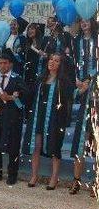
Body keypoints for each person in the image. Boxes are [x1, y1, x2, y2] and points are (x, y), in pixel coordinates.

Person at [24, 53, 74, 190]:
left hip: (55, 119)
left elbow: (68, 100)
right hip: (38, 116)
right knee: (36, 145)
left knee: (54, 147)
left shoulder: (64, 81)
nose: (52, 62)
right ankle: (34, 175)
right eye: (51, 59)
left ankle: (54, 178)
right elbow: (32, 97)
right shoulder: (41, 78)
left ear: (60, 65)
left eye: (56, 60)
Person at [0, 49, 28, 185]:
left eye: (5, 63)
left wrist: (9, 98)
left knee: (13, 145)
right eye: (0, 63)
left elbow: (24, 101)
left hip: (12, 117)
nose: (2, 66)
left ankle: (12, 174)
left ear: (10, 64)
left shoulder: (17, 79)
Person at [69, 78, 96, 196]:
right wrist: (82, 88)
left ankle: (96, 183)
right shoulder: (90, 74)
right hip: (86, 114)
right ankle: (76, 180)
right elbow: (75, 95)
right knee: (80, 149)